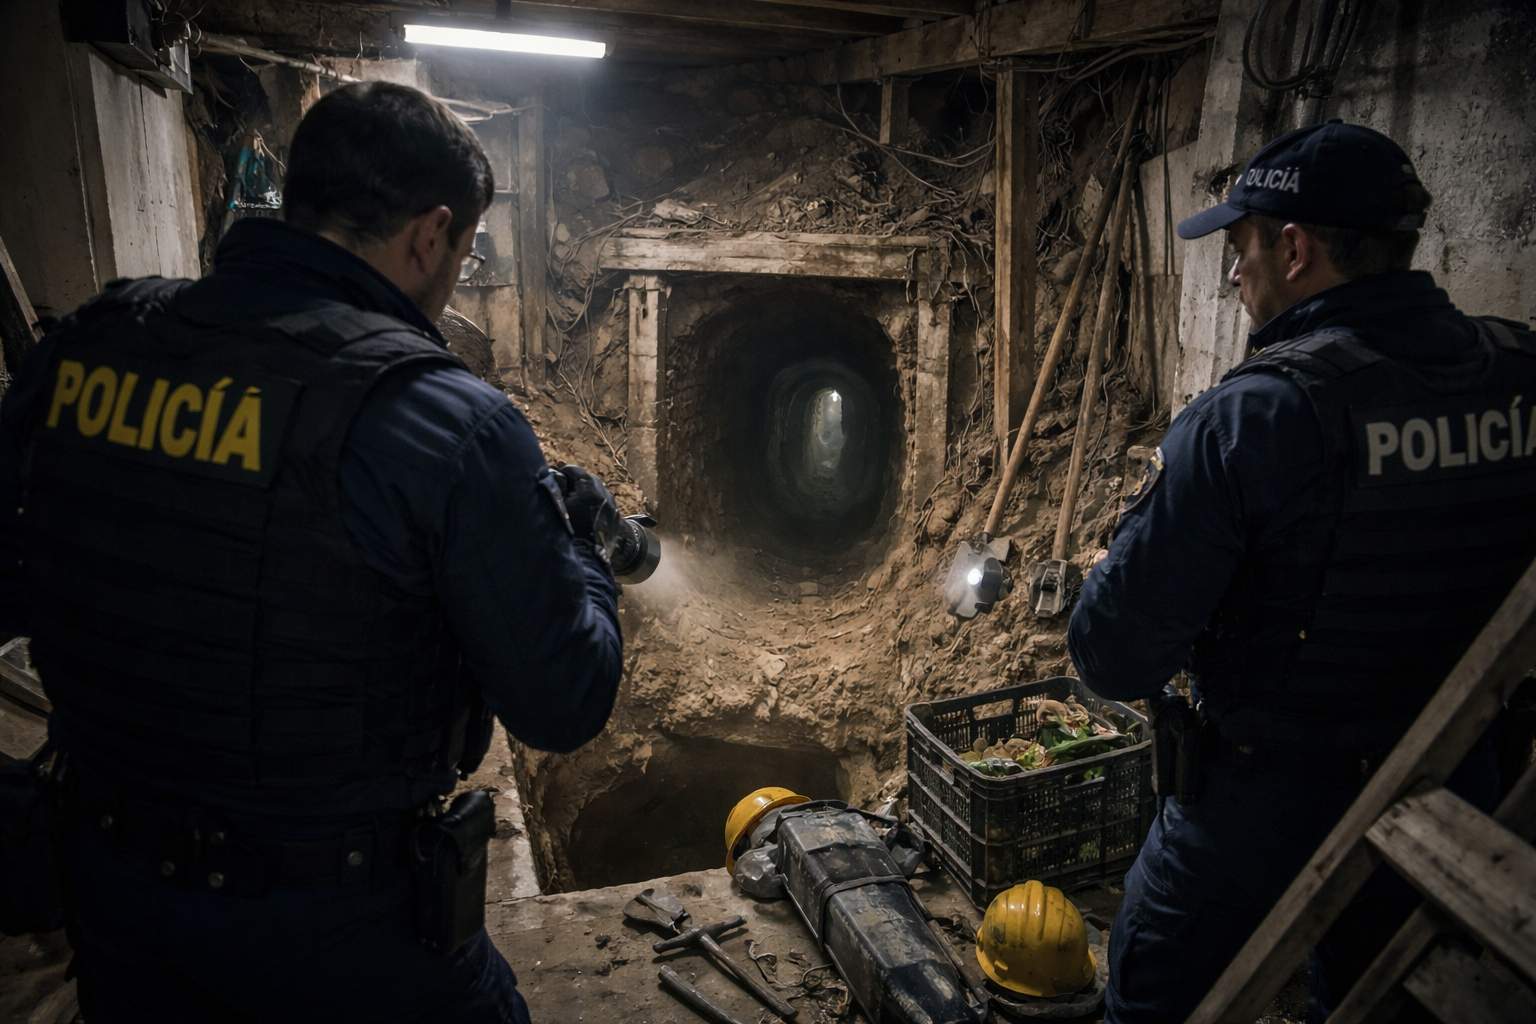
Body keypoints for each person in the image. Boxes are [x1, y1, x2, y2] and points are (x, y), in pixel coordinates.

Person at [0, 82, 624, 1022]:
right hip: (341, 927)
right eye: (464, 252)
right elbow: (565, 700)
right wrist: (584, 553)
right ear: (430, 235)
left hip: (115, 894)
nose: (457, 275)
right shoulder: (443, 424)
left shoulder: (88, 349)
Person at [1067, 121, 1536, 1023]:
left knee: (1156, 994)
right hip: (1450, 798)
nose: (1234, 273)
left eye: (1241, 248)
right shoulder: (1517, 376)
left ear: (1294, 247)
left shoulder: (1256, 417)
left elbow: (1113, 655)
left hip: (1262, 804)